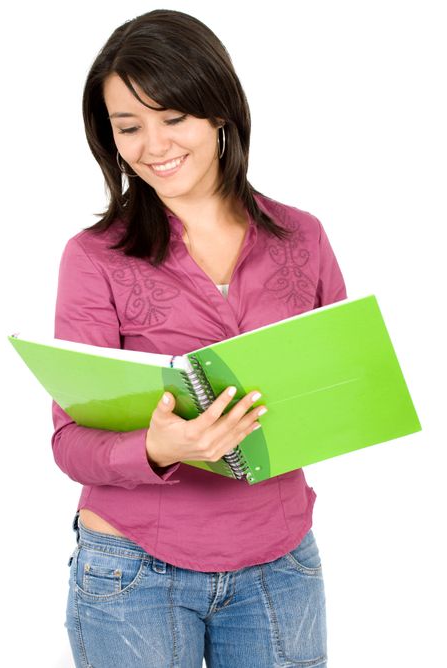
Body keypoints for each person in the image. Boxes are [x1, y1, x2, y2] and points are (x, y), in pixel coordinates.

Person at [53, 9, 346, 668]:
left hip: (280, 563)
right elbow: (69, 444)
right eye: (129, 127)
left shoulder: (304, 238)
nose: (153, 145)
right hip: (132, 572)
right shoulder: (93, 257)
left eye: (173, 118)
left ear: (219, 112)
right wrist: (159, 446)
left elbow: (340, 387)